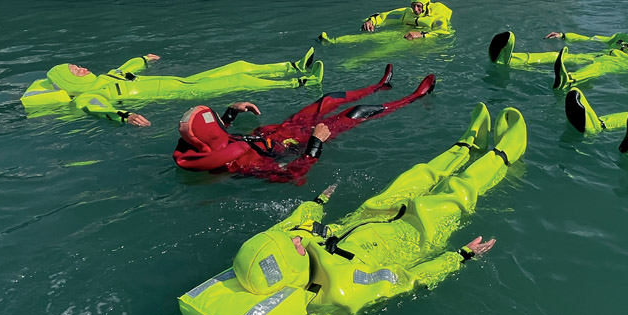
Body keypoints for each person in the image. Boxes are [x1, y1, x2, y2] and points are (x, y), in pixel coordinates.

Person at [178, 103, 526, 315]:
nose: (297, 237)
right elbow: (409, 280)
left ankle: (465, 145)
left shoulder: (289, 248)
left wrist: (318, 201)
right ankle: (502, 155)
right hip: (411, 237)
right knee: (455, 193)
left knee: (415, 176)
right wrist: (458, 256)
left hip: (366, 217)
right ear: (288, 269)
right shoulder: (344, 290)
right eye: (295, 245)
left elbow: (290, 225)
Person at [172, 65, 436, 183]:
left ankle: (379, 85)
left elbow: (208, 139)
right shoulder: (242, 164)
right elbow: (290, 174)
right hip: (295, 144)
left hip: (278, 131)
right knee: (357, 113)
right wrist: (315, 144)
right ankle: (414, 97)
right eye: (217, 120)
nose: (221, 121)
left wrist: (230, 113)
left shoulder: (201, 147)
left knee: (328, 99)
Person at [20, 49, 323, 126]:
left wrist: (143, 59)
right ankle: (299, 82)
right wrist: (123, 116)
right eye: (74, 70)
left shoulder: (106, 76)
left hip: (188, 81)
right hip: (184, 92)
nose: (80, 67)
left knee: (238, 65)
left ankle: (291, 66)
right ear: (68, 82)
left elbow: (127, 68)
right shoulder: (88, 95)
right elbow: (97, 108)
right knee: (238, 81)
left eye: (77, 65)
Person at [489, 15, 628, 90]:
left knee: (596, 69)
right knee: (568, 57)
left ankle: (570, 79)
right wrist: (564, 35)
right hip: (603, 54)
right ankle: (511, 58)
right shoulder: (620, 37)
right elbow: (593, 38)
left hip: (618, 64)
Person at [319, 0, 453, 44]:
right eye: (413, 6)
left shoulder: (437, 15)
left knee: (383, 49)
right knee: (369, 37)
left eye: (419, 6)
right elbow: (386, 16)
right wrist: (371, 21)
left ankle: (354, 62)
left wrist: (421, 35)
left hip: (418, 41)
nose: (415, 9)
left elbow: (443, 32)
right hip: (405, 35)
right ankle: (333, 41)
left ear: (426, 4)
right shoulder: (407, 13)